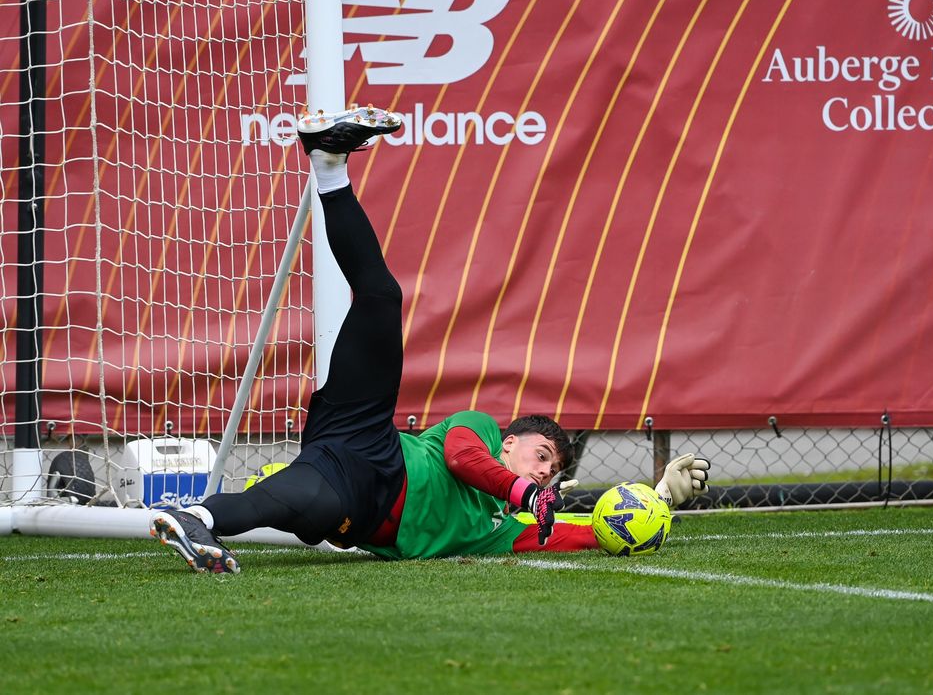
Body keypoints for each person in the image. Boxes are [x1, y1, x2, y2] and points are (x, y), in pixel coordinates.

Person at [149, 104, 709, 573]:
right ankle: (331, 169)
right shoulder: (480, 429)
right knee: (382, 299)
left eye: (553, 470)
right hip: (373, 440)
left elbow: (598, 535)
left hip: (359, 504)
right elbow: (465, 459)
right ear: (509, 442)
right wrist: (527, 494)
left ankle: (200, 517)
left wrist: (658, 501)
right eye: (540, 455)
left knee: (312, 505)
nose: (544, 471)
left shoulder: (498, 530)